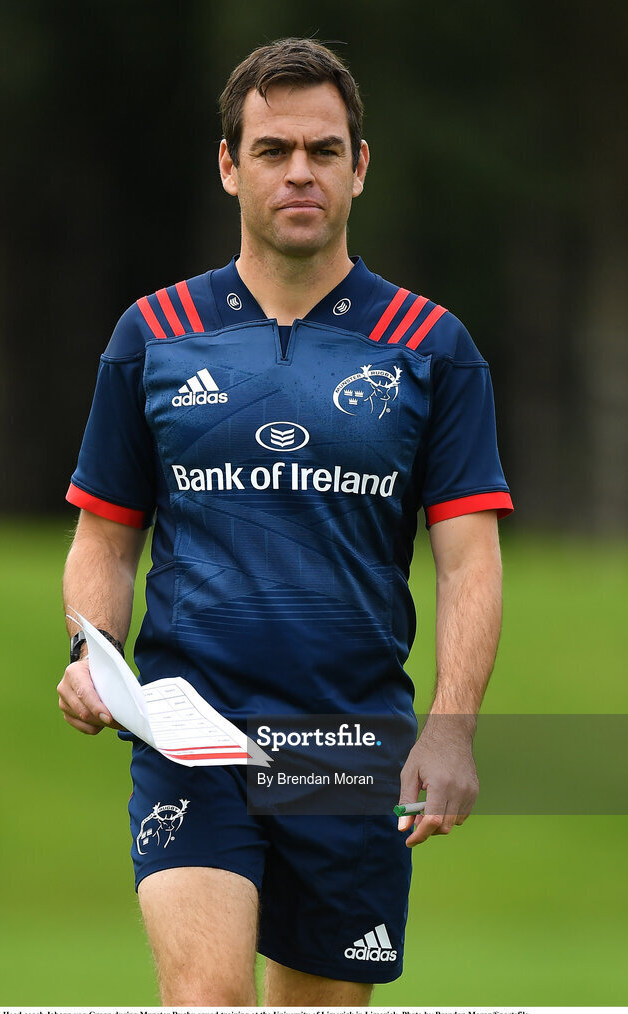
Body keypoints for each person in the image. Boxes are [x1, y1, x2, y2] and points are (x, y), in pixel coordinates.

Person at [57, 37, 512, 1007]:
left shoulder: (433, 347)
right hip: (191, 729)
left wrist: (451, 728)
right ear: (229, 166)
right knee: (204, 999)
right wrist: (90, 652)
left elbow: (469, 562)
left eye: (322, 149)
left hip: (348, 751)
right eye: (272, 150)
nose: (298, 171)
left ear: (358, 165)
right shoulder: (152, 336)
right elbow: (105, 537)